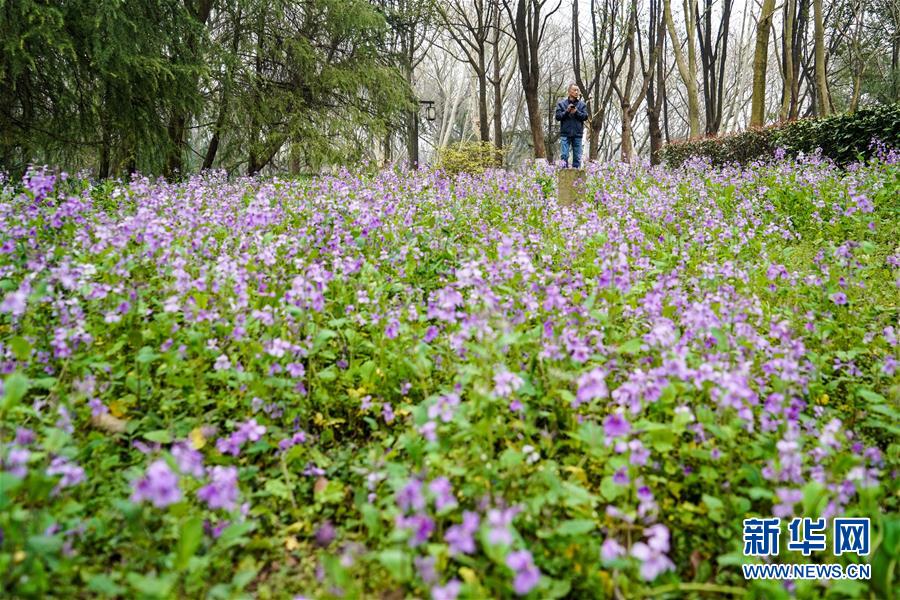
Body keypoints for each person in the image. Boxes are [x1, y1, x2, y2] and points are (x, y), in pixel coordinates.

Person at [555, 84, 588, 168]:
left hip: (577, 135)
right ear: (569, 91)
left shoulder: (582, 105)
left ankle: (576, 175)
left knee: (577, 158)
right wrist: (567, 111)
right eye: (574, 90)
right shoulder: (561, 104)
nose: (576, 92)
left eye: (577, 90)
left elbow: (585, 117)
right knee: (564, 156)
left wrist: (576, 112)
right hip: (565, 134)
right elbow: (558, 117)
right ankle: (563, 173)